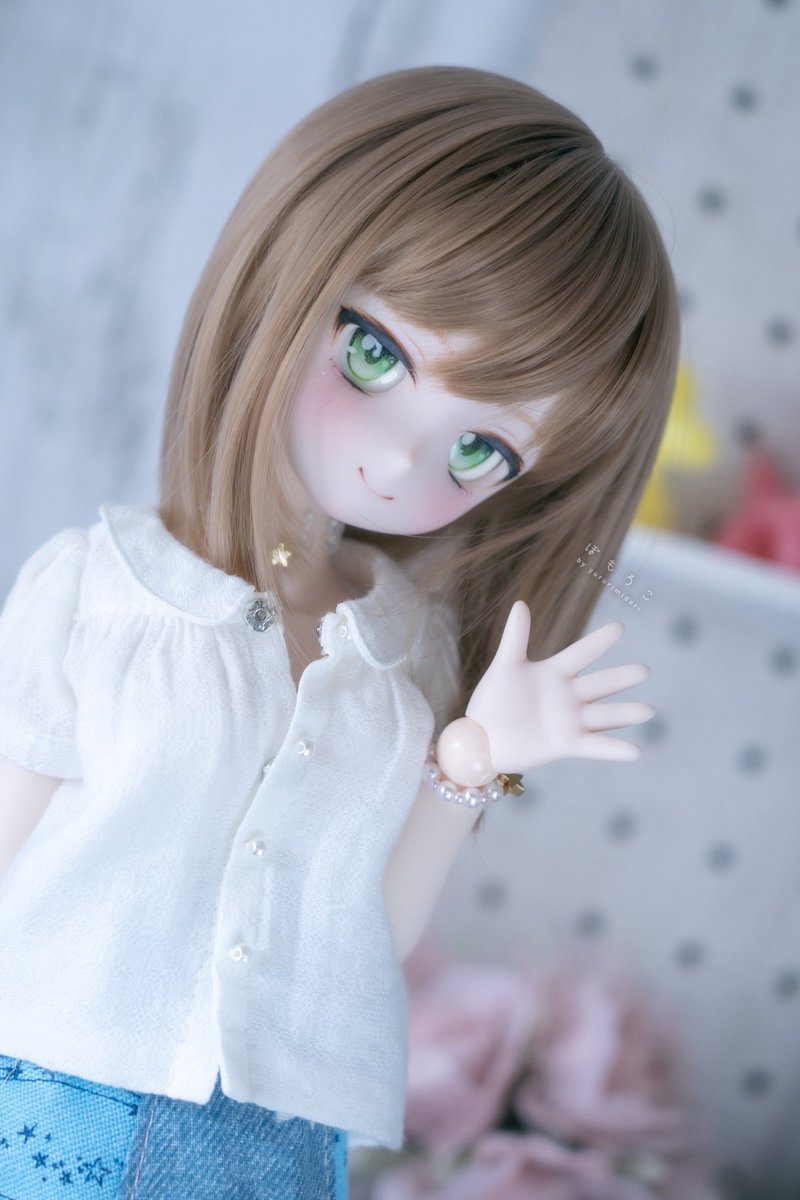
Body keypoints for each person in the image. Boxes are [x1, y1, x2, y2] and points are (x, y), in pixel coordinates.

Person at [0, 66, 678, 1199]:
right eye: (373, 355)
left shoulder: (411, 656)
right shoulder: (99, 593)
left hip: (272, 1134)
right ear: (286, 275)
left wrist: (475, 763)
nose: (402, 457)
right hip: (51, 1086)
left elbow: (369, 932)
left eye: (481, 449)